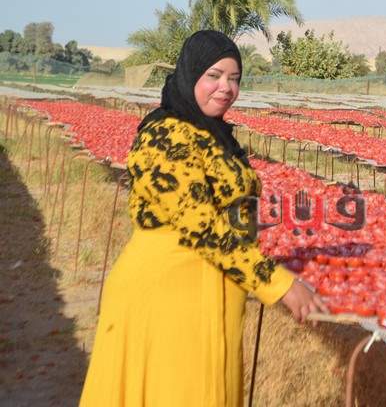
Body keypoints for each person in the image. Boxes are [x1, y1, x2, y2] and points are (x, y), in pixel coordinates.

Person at [80, 30, 325, 406]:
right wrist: (277, 283)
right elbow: (202, 226)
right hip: (167, 297)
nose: (226, 87)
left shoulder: (213, 135)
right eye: (214, 75)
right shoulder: (164, 137)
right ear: (190, 74)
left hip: (213, 290)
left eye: (234, 78)